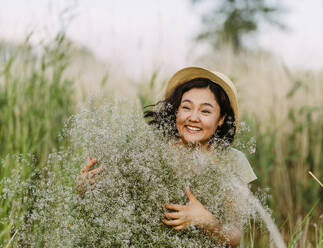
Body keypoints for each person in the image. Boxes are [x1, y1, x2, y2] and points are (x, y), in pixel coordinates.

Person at [76, 66, 257, 247]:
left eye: (205, 111)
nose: (193, 117)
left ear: (221, 119)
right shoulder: (149, 149)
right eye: (186, 107)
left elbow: (234, 238)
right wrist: (85, 188)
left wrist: (206, 220)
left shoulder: (233, 161)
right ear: (176, 110)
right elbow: (111, 205)